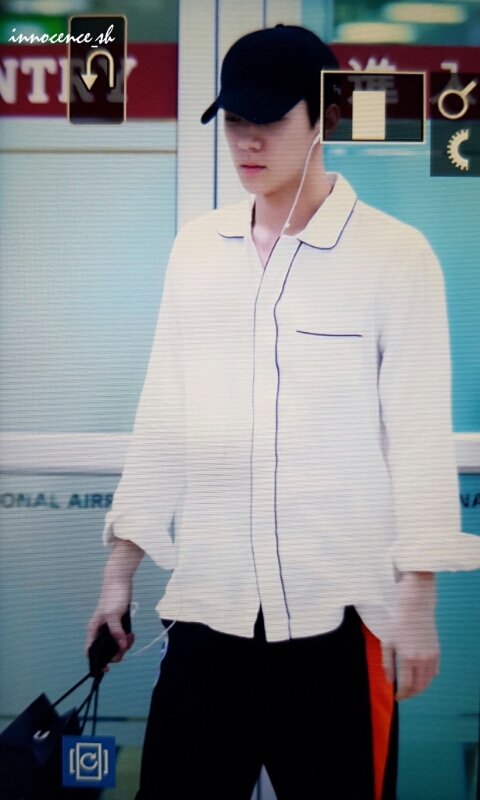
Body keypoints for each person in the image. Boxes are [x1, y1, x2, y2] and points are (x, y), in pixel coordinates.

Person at [86, 25, 480, 800]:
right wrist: (118, 573)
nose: (248, 141)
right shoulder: (198, 251)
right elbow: (164, 419)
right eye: (235, 120)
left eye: (269, 120)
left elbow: (418, 438)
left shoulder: (395, 257)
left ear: (326, 115)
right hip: (208, 613)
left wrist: (419, 595)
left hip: (340, 625)